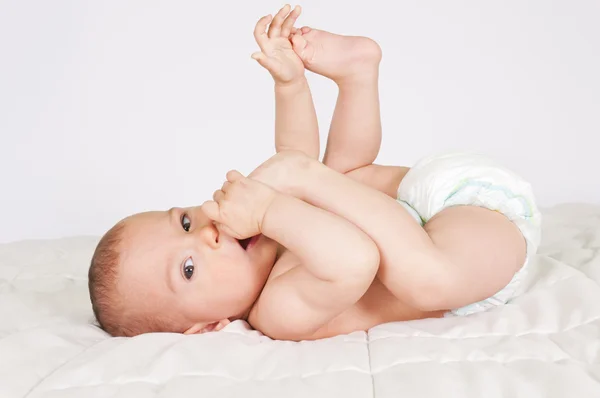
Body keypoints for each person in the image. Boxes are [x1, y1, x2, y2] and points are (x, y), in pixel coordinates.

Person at [88, 5, 541, 341]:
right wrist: (277, 202)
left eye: (185, 222)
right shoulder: (276, 311)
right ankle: (358, 74)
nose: (205, 234)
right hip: (472, 242)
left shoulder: (269, 226)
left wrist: (290, 84)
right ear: (208, 325)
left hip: (432, 205)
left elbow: (295, 154)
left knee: (333, 180)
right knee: (422, 275)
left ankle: (354, 79)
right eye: (188, 268)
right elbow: (355, 258)